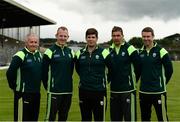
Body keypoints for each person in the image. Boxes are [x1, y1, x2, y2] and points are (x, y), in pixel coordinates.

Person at [75, 28, 110, 121]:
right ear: (86, 38)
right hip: (83, 91)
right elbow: (77, 68)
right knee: (85, 119)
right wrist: (84, 77)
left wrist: (104, 80)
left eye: (93, 37)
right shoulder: (79, 53)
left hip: (99, 91)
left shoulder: (104, 52)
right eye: (89, 37)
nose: (91, 39)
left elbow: (112, 68)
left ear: (97, 38)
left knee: (99, 119)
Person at [139, 27, 173, 121]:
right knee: (145, 119)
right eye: (144, 36)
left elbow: (169, 70)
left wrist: (162, 83)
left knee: (162, 118)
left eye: (148, 36)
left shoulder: (161, 51)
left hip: (158, 92)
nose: (146, 39)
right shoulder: (139, 52)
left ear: (153, 37)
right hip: (143, 92)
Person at [107, 26, 141, 121]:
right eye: (114, 36)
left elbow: (139, 66)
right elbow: (109, 70)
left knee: (130, 119)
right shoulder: (109, 51)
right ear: (112, 37)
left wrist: (132, 81)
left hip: (128, 90)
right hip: (114, 91)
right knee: (115, 119)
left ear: (122, 36)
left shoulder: (130, 48)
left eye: (118, 35)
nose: (116, 38)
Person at [6, 33, 42, 121]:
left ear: (38, 43)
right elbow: (10, 73)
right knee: (22, 119)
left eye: (35, 42)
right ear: (26, 43)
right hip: (23, 94)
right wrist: (14, 86)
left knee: (33, 119)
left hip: (36, 93)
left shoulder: (39, 55)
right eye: (31, 42)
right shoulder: (20, 55)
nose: (33, 44)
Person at [42, 26, 74, 121]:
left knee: (63, 117)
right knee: (50, 118)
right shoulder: (49, 51)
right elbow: (44, 71)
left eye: (65, 36)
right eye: (61, 36)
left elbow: (74, 69)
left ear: (68, 37)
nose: (63, 38)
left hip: (68, 90)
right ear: (56, 36)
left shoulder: (71, 52)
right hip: (54, 90)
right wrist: (48, 85)